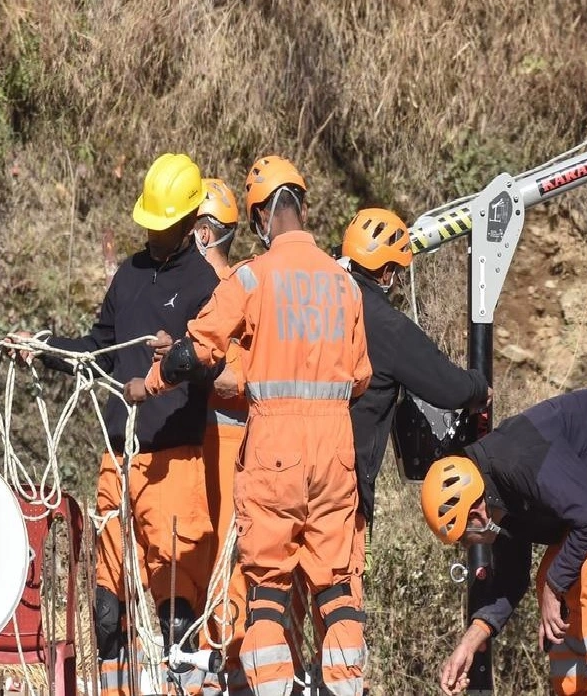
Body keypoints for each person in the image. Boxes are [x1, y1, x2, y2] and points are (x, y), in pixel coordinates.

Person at [129, 155, 372, 696]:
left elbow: (195, 351)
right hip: (336, 450)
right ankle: (344, 687)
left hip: (274, 448)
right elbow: (359, 377)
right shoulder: (345, 284)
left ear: (261, 216)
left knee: (267, 587)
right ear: (303, 206)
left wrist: (151, 382)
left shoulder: (254, 278)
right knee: (335, 587)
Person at [26, 153, 219, 695]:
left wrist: (179, 354)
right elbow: (100, 348)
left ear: (188, 223)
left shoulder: (206, 285)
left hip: (176, 461)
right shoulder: (130, 276)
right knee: (107, 611)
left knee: (176, 611)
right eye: (149, 227)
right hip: (118, 460)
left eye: (165, 228)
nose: (155, 237)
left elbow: (220, 369)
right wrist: (43, 348)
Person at [428, 388, 587, 696]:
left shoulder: (519, 464)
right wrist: (470, 641)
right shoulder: (496, 499)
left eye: (463, 538)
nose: (466, 547)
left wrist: (555, 586)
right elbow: (511, 580)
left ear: (476, 513)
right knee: (550, 577)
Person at [341, 207, 491, 530]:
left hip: (298, 464)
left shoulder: (324, 304)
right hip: (346, 480)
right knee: (344, 575)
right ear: (386, 274)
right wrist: (479, 387)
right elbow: (448, 386)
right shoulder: (388, 327)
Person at [193, 178, 254, 696]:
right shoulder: (233, 285)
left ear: (203, 233)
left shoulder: (230, 291)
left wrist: (182, 366)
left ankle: (226, 660)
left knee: (225, 553)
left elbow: (236, 378)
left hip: (229, 439)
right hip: (204, 440)